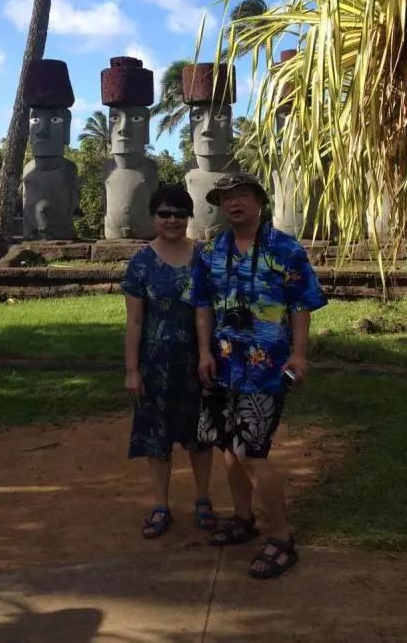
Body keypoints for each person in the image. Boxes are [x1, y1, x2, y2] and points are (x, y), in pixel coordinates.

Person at [191, 172, 327, 578]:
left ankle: (282, 537)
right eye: (227, 197)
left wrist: (299, 354)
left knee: (253, 450)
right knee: (228, 447)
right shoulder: (213, 251)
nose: (234, 203)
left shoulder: (284, 250)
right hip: (223, 362)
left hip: (266, 367)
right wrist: (203, 353)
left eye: (243, 196)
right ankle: (243, 518)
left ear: (259, 203)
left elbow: (301, 304)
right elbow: (203, 305)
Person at [122, 184, 216, 539]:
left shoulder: (203, 258)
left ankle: (203, 499)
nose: (172, 220)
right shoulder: (142, 262)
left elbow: (205, 310)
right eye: (165, 213)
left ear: (189, 216)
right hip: (155, 362)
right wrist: (132, 369)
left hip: (196, 360)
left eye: (179, 213)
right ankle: (160, 504)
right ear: (154, 217)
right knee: (157, 438)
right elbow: (134, 321)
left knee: (200, 436)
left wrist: (206, 353)